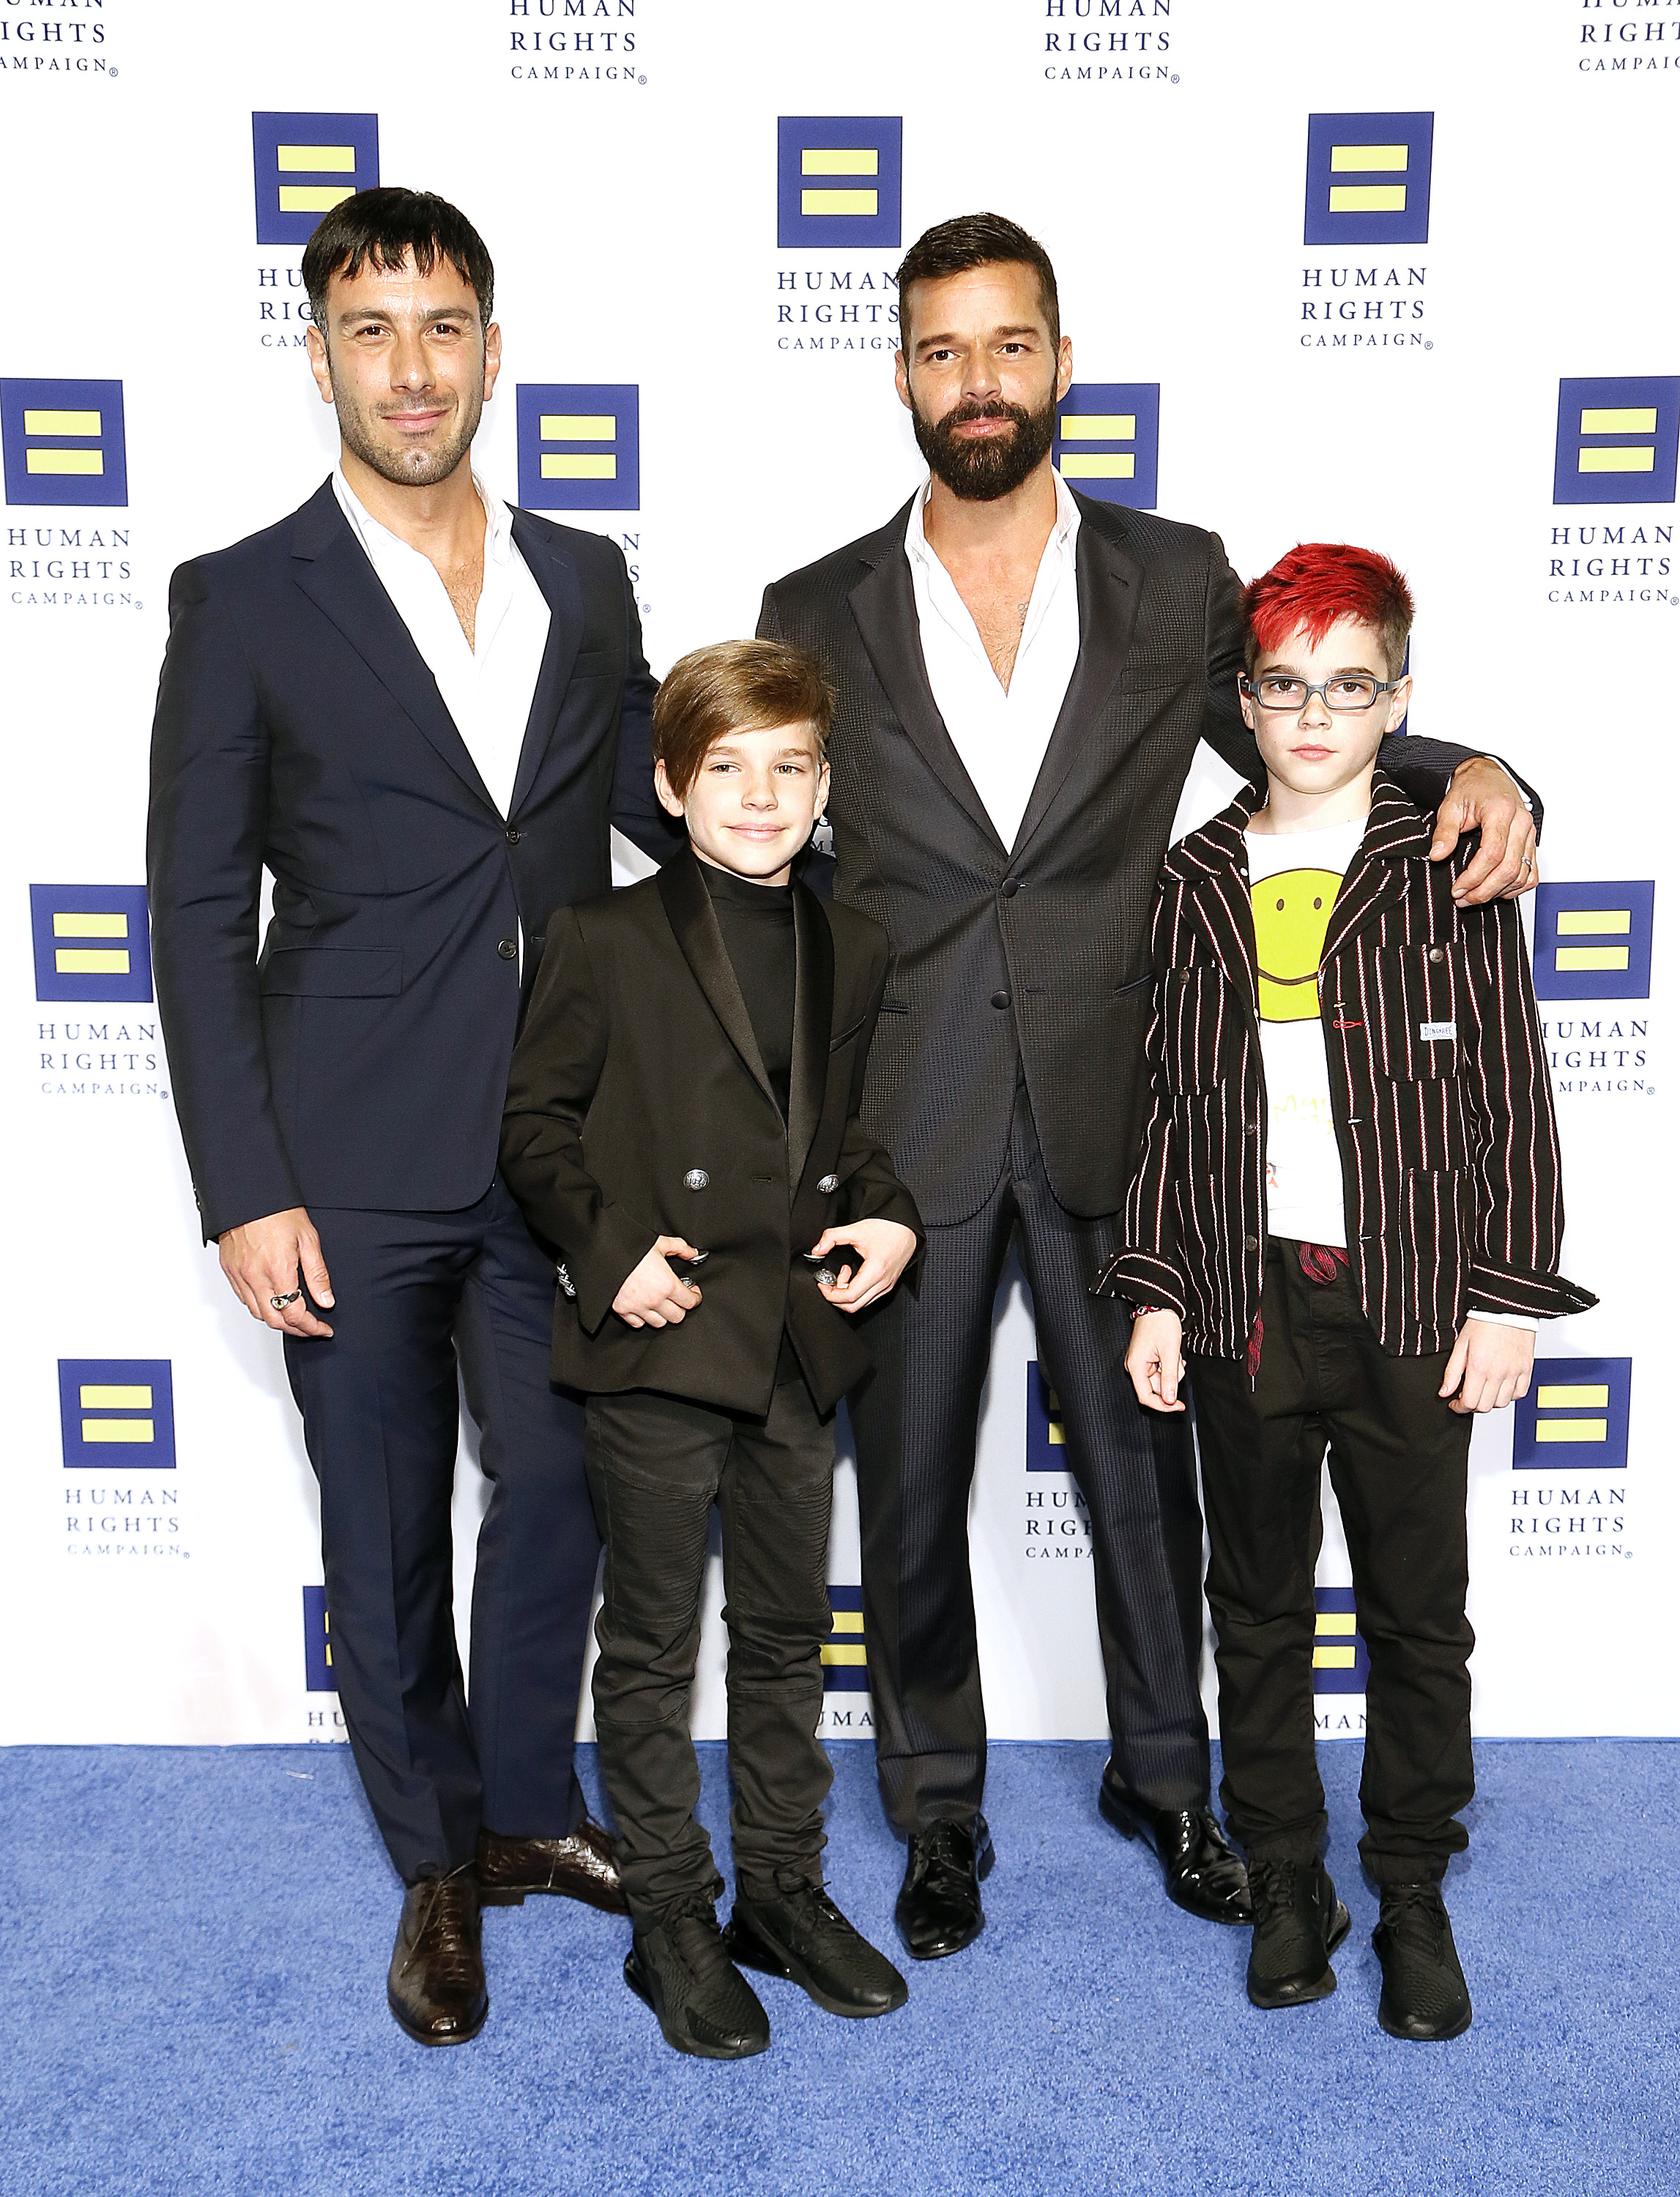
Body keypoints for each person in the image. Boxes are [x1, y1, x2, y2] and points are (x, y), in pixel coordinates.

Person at [758, 212, 1543, 1960]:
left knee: (1147, 1484)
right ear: (900, 373)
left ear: (1059, 360)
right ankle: (935, 1807)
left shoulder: (1176, 573)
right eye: (943, 349)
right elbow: (755, 820)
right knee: (904, 1489)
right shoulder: (811, 606)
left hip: (1138, 1111)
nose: (980, 381)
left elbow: (1300, 721)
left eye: (1010, 344)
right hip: (909, 1118)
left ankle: (1173, 1787)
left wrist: (1472, 759)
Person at [146, 187, 684, 2046]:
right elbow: (199, 914)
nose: (410, 367)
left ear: (490, 346)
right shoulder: (239, 599)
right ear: (319, 359)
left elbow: (678, 802)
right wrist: (243, 1185)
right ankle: (437, 1867)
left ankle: (528, 1811)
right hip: (346, 1156)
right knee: (379, 1525)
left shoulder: (586, 577)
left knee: (556, 1492)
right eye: (370, 331)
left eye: (441, 325)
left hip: (553, 1148)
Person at [1110, 543, 1593, 2037]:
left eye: (1346, 686)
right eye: (1282, 686)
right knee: (1252, 1609)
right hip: (1245, 1302)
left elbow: (1510, 1093)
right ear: (1241, 703)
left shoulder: (1446, 863)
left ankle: (1410, 1889)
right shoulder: (1193, 882)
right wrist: (1155, 1290)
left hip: (1409, 1301)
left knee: (1414, 1614)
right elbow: (1165, 1108)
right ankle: (1288, 1877)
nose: (1312, 714)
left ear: (1397, 699)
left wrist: (1505, 1296)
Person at [499, 639, 921, 2059]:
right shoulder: (599, 937)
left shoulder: (851, 941)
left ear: (822, 786)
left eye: (791, 769)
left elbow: (847, 1136)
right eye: (728, 770)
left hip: (794, 1344)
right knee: (654, 1644)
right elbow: (533, 1126)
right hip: (660, 1339)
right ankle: (672, 1913)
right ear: (671, 787)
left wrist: (891, 1217)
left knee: (789, 1639)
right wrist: (607, 1251)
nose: (761, 796)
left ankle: (782, 1894)